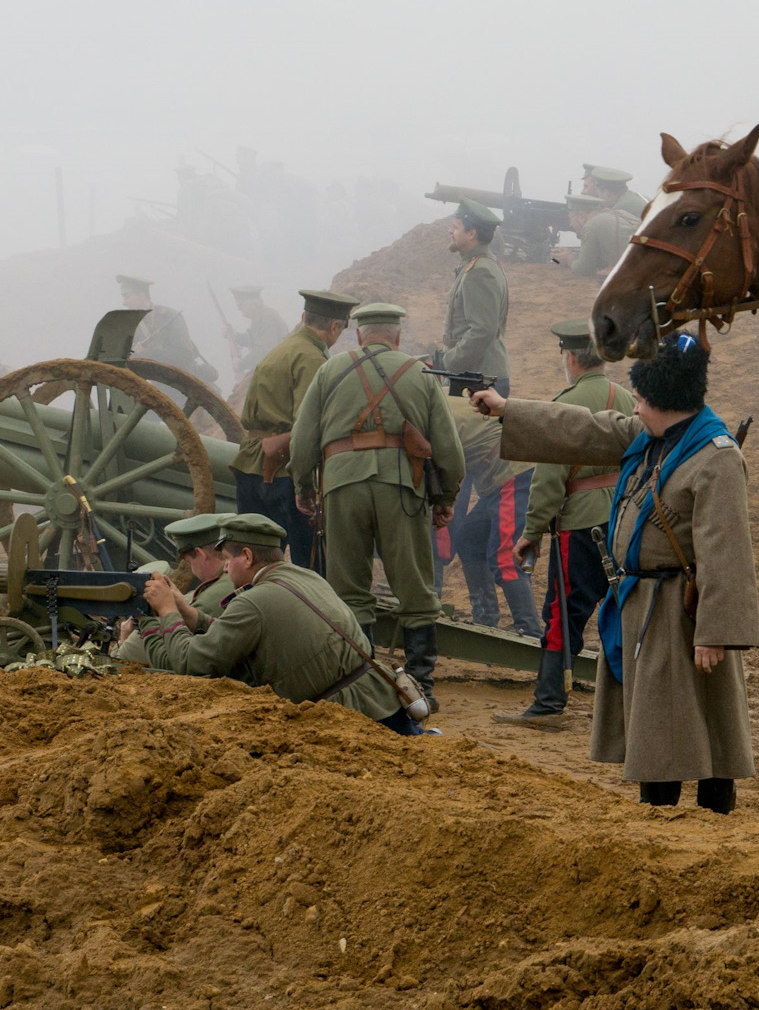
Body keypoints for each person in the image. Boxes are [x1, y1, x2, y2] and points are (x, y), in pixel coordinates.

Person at [473, 331, 759, 812]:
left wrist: (715, 632)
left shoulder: (716, 457)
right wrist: (508, 409)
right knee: (656, 728)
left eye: (643, 399)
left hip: (684, 609)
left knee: (708, 725)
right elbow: (581, 427)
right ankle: (658, 814)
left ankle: (713, 820)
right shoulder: (648, 435)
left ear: (666, 401)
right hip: (640, 602)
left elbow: (727, 552)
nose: (636, 407)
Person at [288, 302, 465, 704]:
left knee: (349, 589)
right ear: (397, 336)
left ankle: (361, 684)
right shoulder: (420, 372)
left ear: (359, 336)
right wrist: (445, 497)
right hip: (402, 487)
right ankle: (422, 686)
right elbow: (448, 448)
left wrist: (304, 486)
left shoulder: (330, 370)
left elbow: (302, 441)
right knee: (416, 589)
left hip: (341, 485)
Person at [134, 513, 424, 735]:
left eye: (227, 558)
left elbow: (191, 663)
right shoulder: (303, 575)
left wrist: (166, 611)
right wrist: (187, 611)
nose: (225, 567)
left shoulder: (252, 602)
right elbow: (241, 629)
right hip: (384, 702)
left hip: (349, 721)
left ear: (246, 556)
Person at [494, 319, 636, 730]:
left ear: (570, 357)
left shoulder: (565, 402)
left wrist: (532, 531)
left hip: (581, 524)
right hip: (624, 518)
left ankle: (548, 702)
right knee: (627, 607)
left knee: (562, 613)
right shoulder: (626, 399)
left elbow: (550, 477)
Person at [232, 289, 357, 567]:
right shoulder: (312, 359)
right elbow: (306, 427)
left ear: (303, 317)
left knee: (254, 563)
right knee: (310, 566)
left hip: (254, 465)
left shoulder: (282, 349)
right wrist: (307, 485)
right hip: (284, 473)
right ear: (335, 327)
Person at [439, 393, 542, 635]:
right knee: (470, 538)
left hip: (512, 472)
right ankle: (485, 620)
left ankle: (530, 632)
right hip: (498, 478)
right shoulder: (440, 396)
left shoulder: (428, 410)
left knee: (506, 556)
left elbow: (444, 465)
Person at [113, 514, 235, 663]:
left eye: (189, 562)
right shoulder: (227, 582)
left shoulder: (213, 597)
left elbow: (166, 659)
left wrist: (138, 622)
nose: (191, 568)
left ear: (200, 554)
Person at [432, 198, 510, 395]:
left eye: (455, 227)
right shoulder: (479, 264)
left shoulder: (479, 271)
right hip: (475, 375)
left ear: (472, 233)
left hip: (478, 379)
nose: (450, 231)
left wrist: (449, 361)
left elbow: (483, 330)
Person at [120, 273, 219, 383]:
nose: (124, 303)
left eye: (127, 297)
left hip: (183, 382)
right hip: (159, 382)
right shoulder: (134, 325)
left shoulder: (168, 315)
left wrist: (148, 353)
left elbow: (184, 355)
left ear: (142, 296)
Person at [559, 193, 641, 279]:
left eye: (570, 219)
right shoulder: (617, 213)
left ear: (582, 216)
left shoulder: (592, 225)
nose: (571, 224)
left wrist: (569, 258)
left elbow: (583, 269)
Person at [229, 284, 290, 377]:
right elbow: (255, 340)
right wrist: (236, 336)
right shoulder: (259, 317)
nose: (239, 309)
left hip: (277, 372)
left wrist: (241, 364)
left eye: (240, 305)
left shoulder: (266, 319)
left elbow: (263, 352)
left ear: (253, 304)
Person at [582, 164, 648, 219]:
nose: (599, 198)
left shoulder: (619, 211)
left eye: (600, 194)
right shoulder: (635, 197)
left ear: (606, 193)